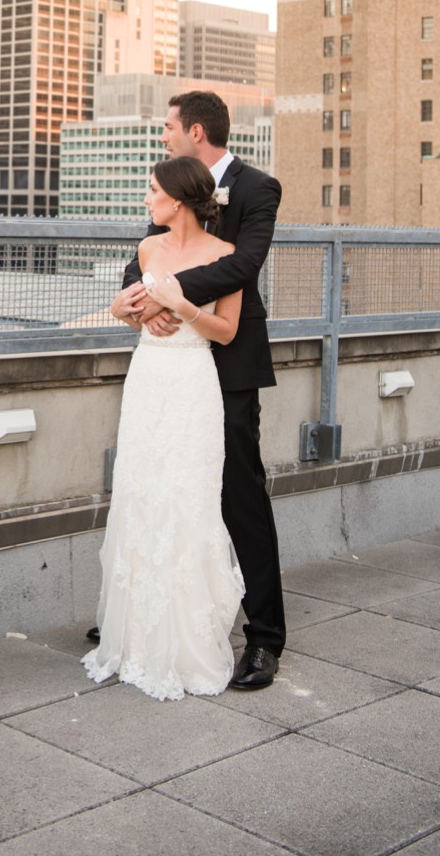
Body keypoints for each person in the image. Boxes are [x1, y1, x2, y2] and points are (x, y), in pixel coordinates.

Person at [88, 89, 285, 691]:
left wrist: (172, 296)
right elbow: (140, 263)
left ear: (196, 132)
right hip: (165, 358)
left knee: (238, 495)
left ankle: (264, 637)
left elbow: (242, 266)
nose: (164, 137)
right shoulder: (170, 188)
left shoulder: (259, 189)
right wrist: (141, 303)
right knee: (155, 483)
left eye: (169, 128)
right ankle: (143, 617)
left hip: (227, 362)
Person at [82, 156, 245, 699]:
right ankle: (134, 639)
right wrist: (122, 309)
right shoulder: (148, 248)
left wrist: (183, 306)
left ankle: (185, 639)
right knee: (142, 492)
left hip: (193, 381)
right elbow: (130, 312)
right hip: (148, 377)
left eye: (152, 190)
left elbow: (225, 332)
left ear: (177, 199)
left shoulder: (227, 256)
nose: (146, 199)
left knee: (186, 496)